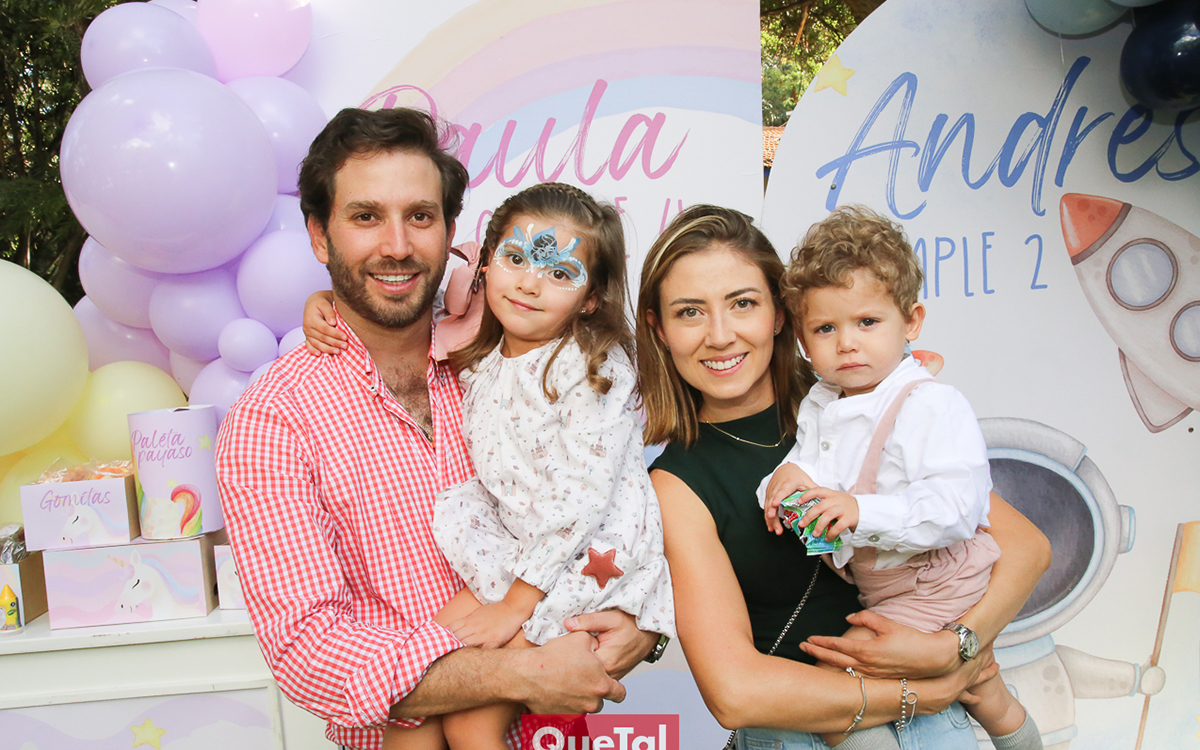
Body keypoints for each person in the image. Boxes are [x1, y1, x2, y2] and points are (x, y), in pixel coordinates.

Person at [215, 107, 656, 750]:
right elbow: (309, 653)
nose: (397, 246)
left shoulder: (504, 358)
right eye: (366, 217)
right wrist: (519, 673)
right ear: (319, 236)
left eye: (420, 216)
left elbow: (615, 486)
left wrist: (644, 624)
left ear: (451, 233)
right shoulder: (274, 420)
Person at [634, 205, 1051, 749]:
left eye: (743, 303)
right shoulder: (677, 483)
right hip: (809, 731)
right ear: (659, 329)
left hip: (936, 722)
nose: (720, 335)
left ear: (780, 314)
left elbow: (1025, 547)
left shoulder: (859, 401)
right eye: (690, 312)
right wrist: (922, 691)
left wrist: (954, 647)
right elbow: (735, 693)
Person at [303, 182, 674, 749]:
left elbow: (580, 500)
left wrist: (517, 605)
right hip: (517, 549)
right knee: (415, 678)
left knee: (471, 721)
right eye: (516, 259)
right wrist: (321, 301)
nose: (528, 283)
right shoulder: (477, 342)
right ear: (484, 264)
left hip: (583, 557)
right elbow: (386, 300)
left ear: (591, 298)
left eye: (560, 273)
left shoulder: (592, 370)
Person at [756, 206, 1040, 750]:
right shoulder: (823, 402)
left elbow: (958, 509)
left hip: (936, 578)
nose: (846, 342)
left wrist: (860, 511)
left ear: (910, 322)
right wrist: (784, 478)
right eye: (825, 328)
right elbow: (814, 466)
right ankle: (1000, 709)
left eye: (867, 322)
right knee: (982, 688)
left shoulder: (930, 404)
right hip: (884, 584)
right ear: (802, 340)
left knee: (837, 691)